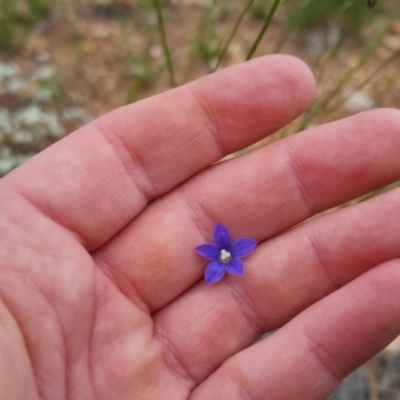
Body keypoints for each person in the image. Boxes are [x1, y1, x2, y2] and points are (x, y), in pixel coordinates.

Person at [0, 54, 399, 400]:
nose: (226, 255)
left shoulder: (229, 256)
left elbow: (228, 257)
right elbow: (220, 255)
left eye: (228, 255)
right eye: (224, 255)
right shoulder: (219, 256)